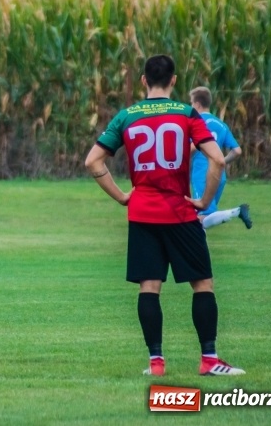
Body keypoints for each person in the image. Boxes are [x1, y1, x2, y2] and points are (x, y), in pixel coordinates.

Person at [84, 54, 245, 376]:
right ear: (173, 80)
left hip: (142, 212)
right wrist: (204, 200)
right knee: (202, 284)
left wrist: (120, 197)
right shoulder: (186, 114)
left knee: (149, 286)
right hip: (180, 212)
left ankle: (156, 364)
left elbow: (93, 162)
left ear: (144, 80)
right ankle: (209, 360)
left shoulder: (127, 116)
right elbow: (216, 159)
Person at [188, 87, 252, 230]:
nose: (191, 106)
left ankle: (236, 211)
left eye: (191, 103)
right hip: (219, 176)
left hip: (203, 174)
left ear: (197, 104)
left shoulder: (195, 122)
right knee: (203, 218)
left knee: (199, 218)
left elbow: (191, 148)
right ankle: (200, 251)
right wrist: (221, 161)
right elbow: (237, 151)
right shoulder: (221, 125)